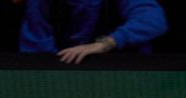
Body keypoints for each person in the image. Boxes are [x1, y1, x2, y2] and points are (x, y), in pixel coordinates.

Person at [18, 0, 167, 61]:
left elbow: (153, 20)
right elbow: (36, 46)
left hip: (121, 69)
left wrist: (106, 43)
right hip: (63, 69)